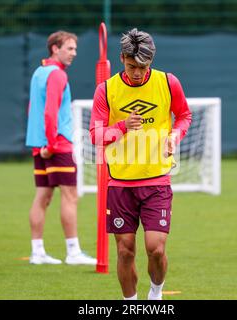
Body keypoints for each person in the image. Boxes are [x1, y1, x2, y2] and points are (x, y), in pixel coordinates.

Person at [89, 28, 192, 299]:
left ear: (151, 61)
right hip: (120, 184)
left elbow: (184, 116)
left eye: (143, 67)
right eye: (132, 66)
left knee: (156, 248)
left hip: (156, 180)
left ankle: (156, 293)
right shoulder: (106, 89)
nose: (138, 72)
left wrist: (174, 135)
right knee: (125, 251)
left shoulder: (169, 83)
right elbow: (96, 136)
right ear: (122, 58)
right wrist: (122, 126)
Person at [25, 31, 96, 266]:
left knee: (43, 196)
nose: (74, 53)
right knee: (70, 196)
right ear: (55, 48)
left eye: (75, 49)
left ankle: (37, 252)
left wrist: (42, 145)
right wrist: (51, 145)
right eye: (69, 48)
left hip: (40, 143)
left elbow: (33, 109)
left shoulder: (39, 72)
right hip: (57, 144)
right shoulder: (56, 75)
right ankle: (73, 252)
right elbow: (50, 112)